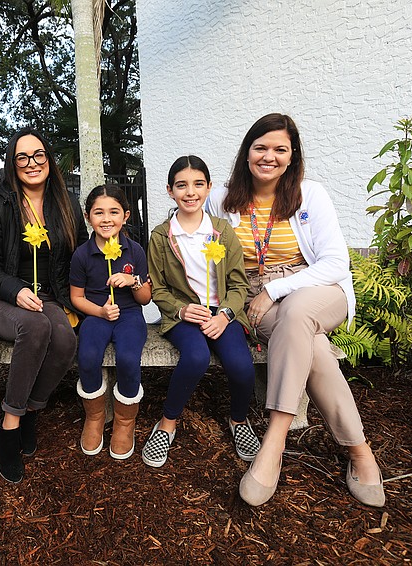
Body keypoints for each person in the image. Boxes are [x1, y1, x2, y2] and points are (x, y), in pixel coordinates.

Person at [205, 113, 385, 507]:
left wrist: (277, 288)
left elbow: (336, 263)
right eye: (261, 147)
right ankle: (360, 452)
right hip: (254, 294)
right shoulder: (221, 197)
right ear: (247, 152)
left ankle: (274, 441)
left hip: (316, 286)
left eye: (279, 149)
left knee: (300, 311)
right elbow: (193, 242)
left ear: (292, 156)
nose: (269, 156)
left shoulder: (311, 194)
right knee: (314, 346)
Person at [0, 127, 88, 483]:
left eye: (38, 155)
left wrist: (83, 297)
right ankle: (9, 423)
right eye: (22, 157)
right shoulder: (2, 203)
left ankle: (32, 410)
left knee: (66, 338)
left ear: (49, 160)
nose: (31, 163)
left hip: (48, 295)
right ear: (12, 164)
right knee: (35, 327)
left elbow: (81, 253)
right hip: (4, 298)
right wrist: (14, 290)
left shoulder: (65, 202)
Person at [142, 155, 260, 469]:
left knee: (241, 365)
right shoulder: (161, 236)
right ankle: (167, 423)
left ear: (208, 188)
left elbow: (239, 283)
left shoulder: (222, 231)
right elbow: (159, 288)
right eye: (181, 185)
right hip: (185, 314)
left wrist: (226, 314)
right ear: (170, 190)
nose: (190, 192)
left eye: (198, 184)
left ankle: (238, 420)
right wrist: (181, 311)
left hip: (222, 313)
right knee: (196, 357)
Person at [69, 184, 152, 459]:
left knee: (129, 358)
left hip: (129, 315)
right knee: (88, 355)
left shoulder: (135, 250)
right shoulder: (82, 254)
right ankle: (94, 417)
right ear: (87, 216)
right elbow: (77, 298)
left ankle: (125, 420)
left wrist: (133, 280)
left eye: (114, 212)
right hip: (96, 313)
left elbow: (145, 299)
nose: (106, 219)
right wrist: (100, 312)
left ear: (126, 216)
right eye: (98, 213)